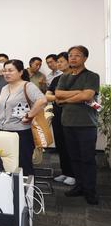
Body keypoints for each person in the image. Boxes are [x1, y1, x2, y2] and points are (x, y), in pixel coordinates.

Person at [55, 45, 100, 205]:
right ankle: (79, 186)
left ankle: (90, 190)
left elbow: (87, 96)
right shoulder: (64, 77)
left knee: (87, 159)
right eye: (70, 55)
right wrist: (78, 92)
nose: (73, 58)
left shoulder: (92, 76)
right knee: (74, 157)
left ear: (85, 58)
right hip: (67, 122)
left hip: (86, 124)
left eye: (77, 55)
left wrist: (65, 100)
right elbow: (57, 94)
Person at [0, 60, 47, 176]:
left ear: (20, 72)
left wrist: (29, 115)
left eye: (10, 70)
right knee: (7, 165)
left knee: (23, 165)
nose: (6, 73)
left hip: (21, 132)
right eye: (5, 71)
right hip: (3, 130)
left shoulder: (27, 86)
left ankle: (27, 187)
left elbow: (42, 100)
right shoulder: (4, 88)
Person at [45, 52, 74, 186]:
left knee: (71, 145)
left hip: (72, 116)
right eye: (57, 62)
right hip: (58, 114)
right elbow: (47, 96)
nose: (58, 64)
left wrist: (61, 98)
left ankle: (74, 174)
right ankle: (65, 172)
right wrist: (60, 98)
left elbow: (82, 96)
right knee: (61, 144)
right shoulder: (57, 79)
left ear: (69, 61)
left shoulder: (76, 77)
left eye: (61, 61)